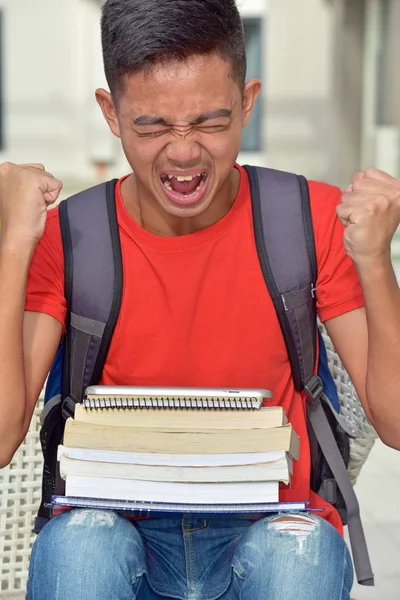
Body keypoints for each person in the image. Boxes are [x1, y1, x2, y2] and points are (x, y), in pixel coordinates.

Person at [1, 0, 400, 598]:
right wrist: (13, 246)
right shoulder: (73, 237)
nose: (183, 152)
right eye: (153, 125)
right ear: (111, 112)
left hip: (274, 524)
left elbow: (395, 424)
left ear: (247, 102)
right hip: (113, 529)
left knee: (301, 555)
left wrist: (373, 260)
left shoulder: (307, 219)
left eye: (210, 123)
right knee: (80, 548)